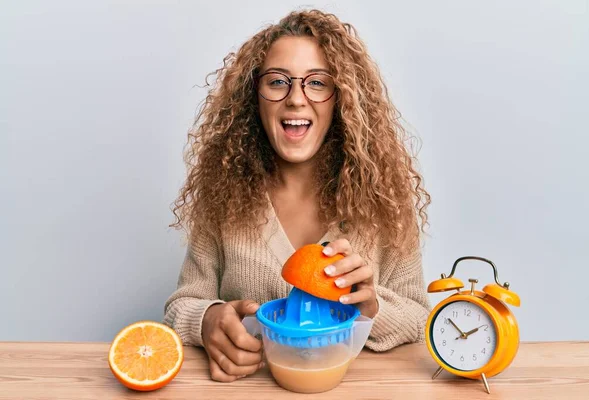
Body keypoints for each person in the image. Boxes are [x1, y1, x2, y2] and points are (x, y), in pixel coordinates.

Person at [163, 9, 431, 382]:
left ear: (342, 99)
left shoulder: (385, 201)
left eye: (317, 83)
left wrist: (370, 308)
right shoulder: (222, 198)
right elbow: (182, 305)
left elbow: (419, 317)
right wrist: (207, 319)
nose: (296, 99)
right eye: (277, 82)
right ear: (252, 97)